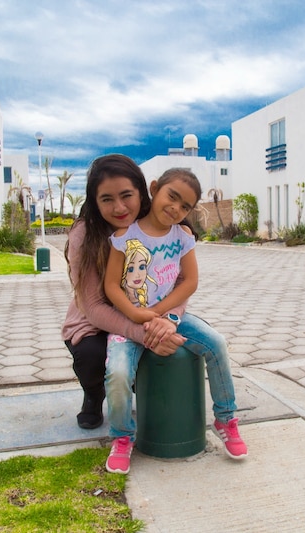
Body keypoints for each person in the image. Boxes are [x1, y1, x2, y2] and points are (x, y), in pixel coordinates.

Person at [101, 167, 247, 475]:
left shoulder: (182, 237)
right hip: (131, 322)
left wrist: (162, 314)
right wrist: (137, 315)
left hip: (171, 317)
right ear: (154, 188)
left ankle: (226, 418)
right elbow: (112, 285)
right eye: (172, 197)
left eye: (185, 206)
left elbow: (190, 281)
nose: (176, 208)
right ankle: (122, 437)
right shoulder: (125, 236)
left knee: (216, 344)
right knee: (117, 374)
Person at [62, 154, 184, 431]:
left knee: (177, 342)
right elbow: (92, 304)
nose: (119, 207)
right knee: (92, 356)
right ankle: (93, 396)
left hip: (148, 310)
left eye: (126, 195)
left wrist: (169, 321)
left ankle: (149, 392)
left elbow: (181, 281)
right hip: (94, 321)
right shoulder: (85, 234)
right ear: (94, 201)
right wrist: (146, 335)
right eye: (107, 199)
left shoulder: (159, 225)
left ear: (142, 192)